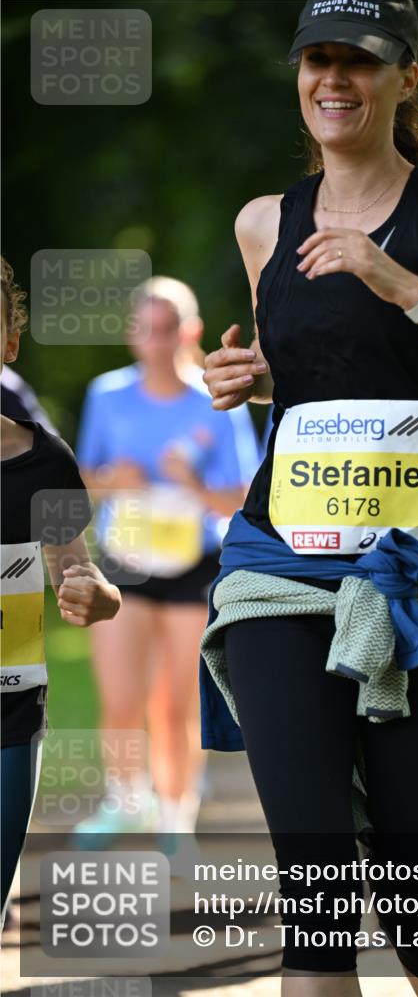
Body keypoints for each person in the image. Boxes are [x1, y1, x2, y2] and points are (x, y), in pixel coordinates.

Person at [200, 0, 418, 994]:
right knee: (314, 899)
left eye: (357, 62)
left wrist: (400, 281)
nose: (333, 80)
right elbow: (323, 370)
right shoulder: (263, 222)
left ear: (405, 77)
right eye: (316, 60)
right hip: (281, 568)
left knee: (415, 900)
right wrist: (252, 379)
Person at [73, 277, 249, 839]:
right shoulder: (106, 395)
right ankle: (127, 802)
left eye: (166, 328)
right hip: (124, 561)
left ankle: (177, 821)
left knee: (175, 705)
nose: (154, 340)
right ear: (132, 335)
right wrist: (107, 479)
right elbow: (77, 480)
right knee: (121, 697)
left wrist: (192, 483)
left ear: (189, 331)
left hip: (193, 565)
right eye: (144, 329)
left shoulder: (218, 400)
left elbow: (245, 496)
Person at [0, 256, 121, 924]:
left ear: (9, 344)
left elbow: (76, 570)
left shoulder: (45, 461)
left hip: (8, 714)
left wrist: (96, 594)